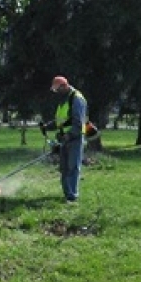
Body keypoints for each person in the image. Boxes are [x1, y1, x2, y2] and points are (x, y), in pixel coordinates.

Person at [50, 75, 87, 203]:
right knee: (64, 167)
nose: (56, 93)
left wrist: (69, 135)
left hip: (74, 138)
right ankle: (67, 193)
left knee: (73, 166)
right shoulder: (63, 100)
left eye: (58, 90)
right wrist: (47, 127)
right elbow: (60, 120)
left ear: (64, 86)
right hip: (63, 138)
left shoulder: (76, 99)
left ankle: (72, 196)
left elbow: (78, 121)